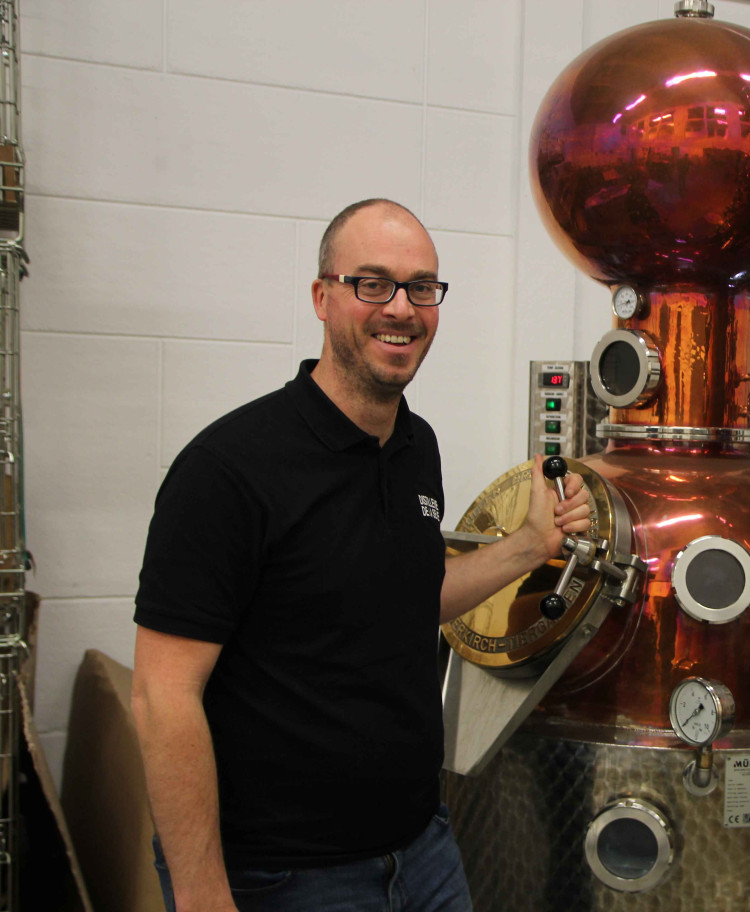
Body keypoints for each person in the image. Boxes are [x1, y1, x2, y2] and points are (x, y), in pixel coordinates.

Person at [130, 198, 591, 912]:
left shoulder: (415, 446)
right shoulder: (230, 469)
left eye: (421, 287)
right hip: (283, 877)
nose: (401, 308)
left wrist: (530, 545)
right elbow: (163, 696)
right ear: (323, 297)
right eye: (372, 284)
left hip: (423, 849)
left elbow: (405, 594)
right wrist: (199, 892)